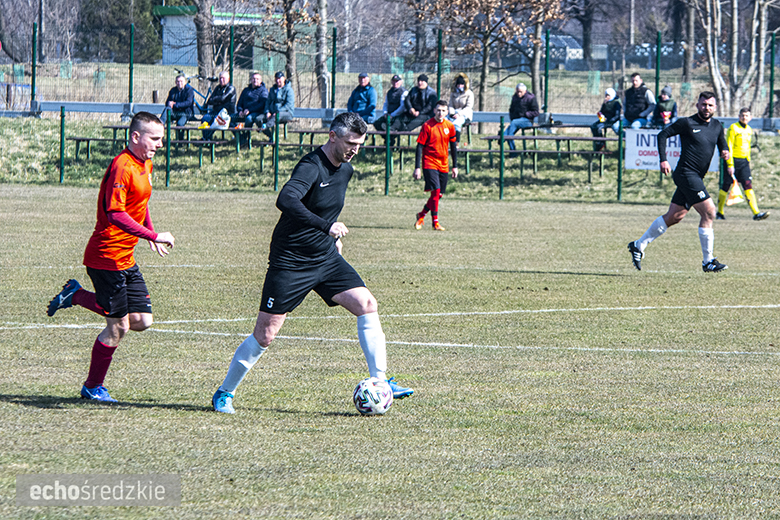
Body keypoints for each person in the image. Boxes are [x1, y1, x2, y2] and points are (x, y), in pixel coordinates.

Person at [211, 112, 413, 414]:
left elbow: (326, 209)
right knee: (265, 334)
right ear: (332, 136)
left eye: (359, 144)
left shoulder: (346, 170)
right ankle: (224, 393)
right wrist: (325, 226)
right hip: (291, 261)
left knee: (367, 304)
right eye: (350, 143)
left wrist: (332, 237)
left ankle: (381, 382)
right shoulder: (310, 166)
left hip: (325, 257)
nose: (354, 149)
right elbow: (286, 200)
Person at [46, 112, 176, 402]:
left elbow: (139, 204)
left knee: (142, 320)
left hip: (125, 258)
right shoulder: (122, 167)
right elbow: (115, 213)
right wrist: (152, 236)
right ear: (135, 137)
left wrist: (149, 233)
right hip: (106, 258)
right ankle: (92, 387)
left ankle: (76, 295)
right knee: (118, 327)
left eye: (161, 139)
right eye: (154, 139)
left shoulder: (145, 162)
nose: (159, 144)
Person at [628, 92, 730, 273]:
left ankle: (638, 245)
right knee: (709, 212)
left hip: (697, 176)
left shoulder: (716, 126)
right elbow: (662, 135)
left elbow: (722, 143)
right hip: (686, 174)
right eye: (704, 104)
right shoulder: (687, 123)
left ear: (715, 107)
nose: (707, 108)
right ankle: (708, 261)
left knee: (674, 217)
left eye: (710, 105)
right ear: (697, 105)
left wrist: (725, 151)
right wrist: (663, 159)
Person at [717, 107, 770, 221]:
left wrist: (748, 159)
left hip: (744, 162)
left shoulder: (749, 130)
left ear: (750, 118)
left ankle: (756, 213)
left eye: (746, 116)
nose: (744, 117)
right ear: (739, 116)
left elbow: (747, 147)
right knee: (726, 186)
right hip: (733, 160)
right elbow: (729, 146)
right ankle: (719, 212)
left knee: (748, 185)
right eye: (742, 115)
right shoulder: (733, 128)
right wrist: (730, 164)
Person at [413, 100, 458, 231]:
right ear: (434, 111)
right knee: (436, 191)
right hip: (429, 162)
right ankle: (435, 223)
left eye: (443, 110)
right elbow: (419, 146)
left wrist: (455, 166)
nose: (440, 113)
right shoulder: (427, 125)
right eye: (438, 110)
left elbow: (453, 147)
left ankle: (421, 215)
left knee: (438, 195)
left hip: (444, 164)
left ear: (447, 112)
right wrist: (417, 167)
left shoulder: (450, 126)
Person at [232, 72, 268, 145]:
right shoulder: (246, 90)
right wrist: (240, 111)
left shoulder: (263, 91)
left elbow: (262, 104)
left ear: (260, 81)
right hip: (243, 112)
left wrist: (249, 110)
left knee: (248, 119)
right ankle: (240, 137)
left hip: (257, 112)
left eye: (257, 79)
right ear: (251, 80)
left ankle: (247, 137)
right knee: (230, 118)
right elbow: (239, 103)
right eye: (253, 79)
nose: (255, 81)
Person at [504, 83, 540, 155]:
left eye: (520, 92)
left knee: (511, 127)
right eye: (517, 91)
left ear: (525, 91)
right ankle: (510, 149)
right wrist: (513, 117)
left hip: (527, 120)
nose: (519, 93)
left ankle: (503, 140)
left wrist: (527, 114)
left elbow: (536, 112)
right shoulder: (515, 97)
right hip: (516, 121)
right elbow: (511, 109)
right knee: (507, 133)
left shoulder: (530, 98)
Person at [202, 71, 237, 141]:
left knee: (216, 120)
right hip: (216, 111)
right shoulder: (217, 88)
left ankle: (242, 139)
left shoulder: (231, 88)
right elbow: (209, 100)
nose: (221, 80)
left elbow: (223, 98)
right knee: (205, 118)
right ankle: (206, 138)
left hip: (227, 113)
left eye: (223, 78)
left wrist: (216, 99)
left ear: (228, 79)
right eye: (220, 78)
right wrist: (218, 99)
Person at [373, 74, 407, 144]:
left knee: (389, 128)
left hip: (399, 116)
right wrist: (385, 113)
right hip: (389, 115)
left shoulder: (404, 92)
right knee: (377, 124)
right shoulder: (389, 92)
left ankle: (389, 143)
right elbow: (386, 104)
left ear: (401, 82)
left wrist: (393, 114)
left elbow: (402, 107)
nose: (395, 83)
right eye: (394, 81)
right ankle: (389, 141)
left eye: (397, 81)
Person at [160, 75, 195, 141]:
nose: (179, 83)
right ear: (175, 82)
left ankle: (180, 141)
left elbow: (188, 103)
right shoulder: (173, 90)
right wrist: (169, 103)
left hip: (185, 113)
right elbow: (167, 102)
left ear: (185, 82)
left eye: (181, 81)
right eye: (178, 81)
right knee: (167, 109)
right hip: (174, 112)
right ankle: (160, 126)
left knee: (180, 124)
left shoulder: (189, 90)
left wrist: (175, 104)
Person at [263, 71, 295, 140]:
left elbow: (288, 105)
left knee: (278, 115)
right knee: (259, 118)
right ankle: (270, 136)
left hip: (287, 113)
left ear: (283, 79)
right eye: (276, 79)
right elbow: (268, 102)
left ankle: (265, 127)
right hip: (273, 113)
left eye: (279, 79)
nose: (278, 81)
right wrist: (267, 112)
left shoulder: (289, 90)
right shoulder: (272, 90)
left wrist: (277, 112)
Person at [446, 73, 474, 142]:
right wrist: (452, 114)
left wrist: (459, 114)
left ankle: (456, 143)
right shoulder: (453, 93)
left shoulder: (469, 93)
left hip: (464, 115)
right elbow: (451, 105)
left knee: (456, 124)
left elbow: (468, 107)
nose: (459, 86)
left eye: (461, 84)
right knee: (444, 121)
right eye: (458, 84)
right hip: (454, 113)